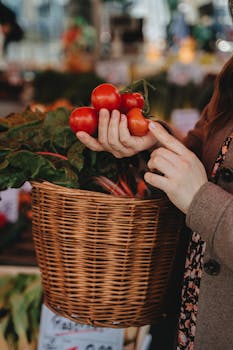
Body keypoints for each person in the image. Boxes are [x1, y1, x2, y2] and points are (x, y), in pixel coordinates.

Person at [75, 3, 233, 349]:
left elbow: (201, 191)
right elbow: (204, 154)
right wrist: (152, 142)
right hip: (188, 316)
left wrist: (200, 200)